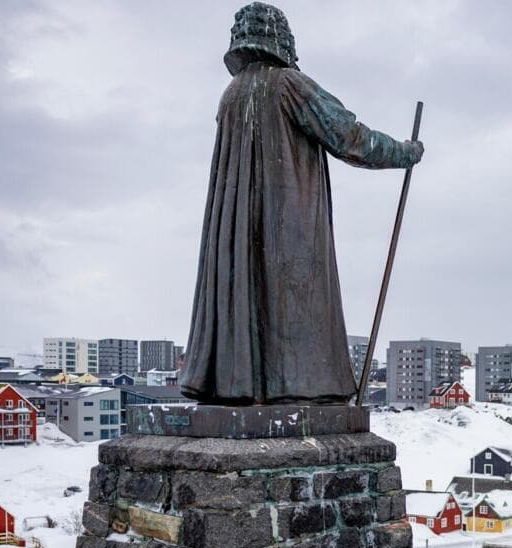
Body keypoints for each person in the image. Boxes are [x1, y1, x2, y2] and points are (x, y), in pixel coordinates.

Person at [180, 2, 424, 405]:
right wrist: (406, 152)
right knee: (294, 298)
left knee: (250, 293)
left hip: (239, 232)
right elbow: (349, 137)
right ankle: (298, 385)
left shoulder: (232, 95)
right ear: (281, 40)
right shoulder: (290, 85)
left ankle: (241, 385)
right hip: (286, 224)